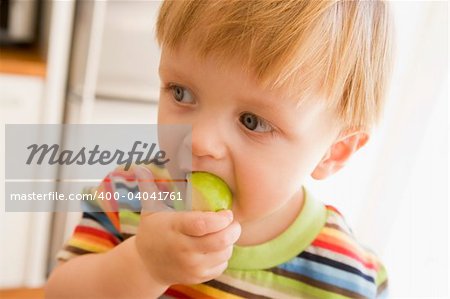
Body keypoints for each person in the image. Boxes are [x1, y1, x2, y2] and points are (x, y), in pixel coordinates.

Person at [45, 0, 393, 298]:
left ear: (333, 151)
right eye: (181, 92)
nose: (198, 140)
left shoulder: (347, 277)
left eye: (252, 121)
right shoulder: (129, 195)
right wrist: (143, 264)